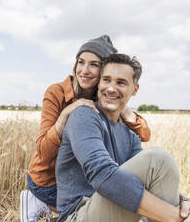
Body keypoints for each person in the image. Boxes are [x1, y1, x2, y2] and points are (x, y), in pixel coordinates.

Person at [20, 36, 151, 222]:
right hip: (49, 183)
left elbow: (144, 136)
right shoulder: (57, 92)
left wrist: (129, 114)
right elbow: (43, 152)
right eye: (81, 62)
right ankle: (39, 202)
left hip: (83, 178)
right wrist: (66, 115)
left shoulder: (106, 96)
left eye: (94, 65)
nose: (84, 71)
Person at [56, 53, 189, 222]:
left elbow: (146, 184)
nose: (111, 88)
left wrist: (182, 200)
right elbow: (101, 174)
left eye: (120, 82)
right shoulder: (84, 116)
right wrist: (175, 216)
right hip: (78, 215)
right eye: (106, 80)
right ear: (99, 83)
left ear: (134, 89)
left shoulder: (130, 135)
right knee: (158, 160)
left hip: (119, 211)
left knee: (162, 168)